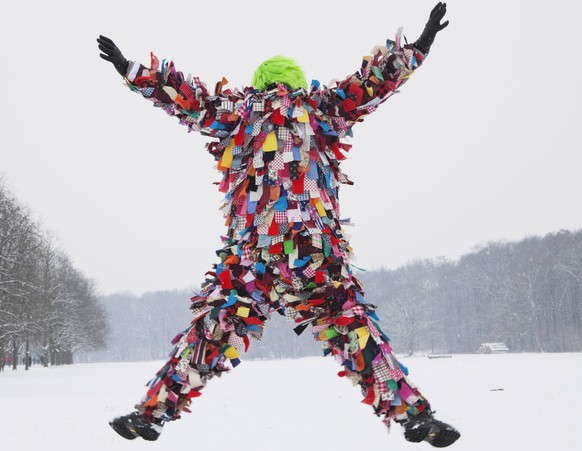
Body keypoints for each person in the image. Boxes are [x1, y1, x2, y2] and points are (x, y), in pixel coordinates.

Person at [98, 3, 460, 447]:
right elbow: (371, 85)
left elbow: (186, 99)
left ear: (261, 82)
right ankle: (411, 415)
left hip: (252, 259)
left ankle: (152, 413)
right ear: (296, 81)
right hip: (313, 254)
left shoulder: (237, 112)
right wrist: (418, 47)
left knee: (212, 331)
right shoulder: (323, 109)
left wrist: (132, 69)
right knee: (356, 332)